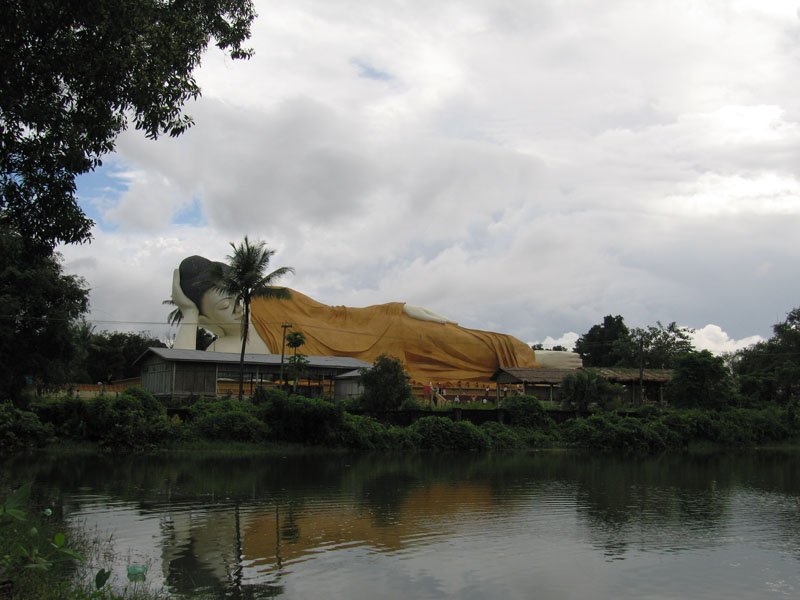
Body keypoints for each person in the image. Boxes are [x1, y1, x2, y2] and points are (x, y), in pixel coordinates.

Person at [172, 255, 539, 384]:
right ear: (207, 318)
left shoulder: (270, 298)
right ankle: (538, 364)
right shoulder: (224, 346)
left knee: (475, 346)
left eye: (236, 297)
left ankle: (526, 357)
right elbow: (183, 368)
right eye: (224, 309)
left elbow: (334, 314)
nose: (238, 308)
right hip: (371, 368)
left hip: (383, 329)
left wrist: (392, 309)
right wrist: (188, 313)